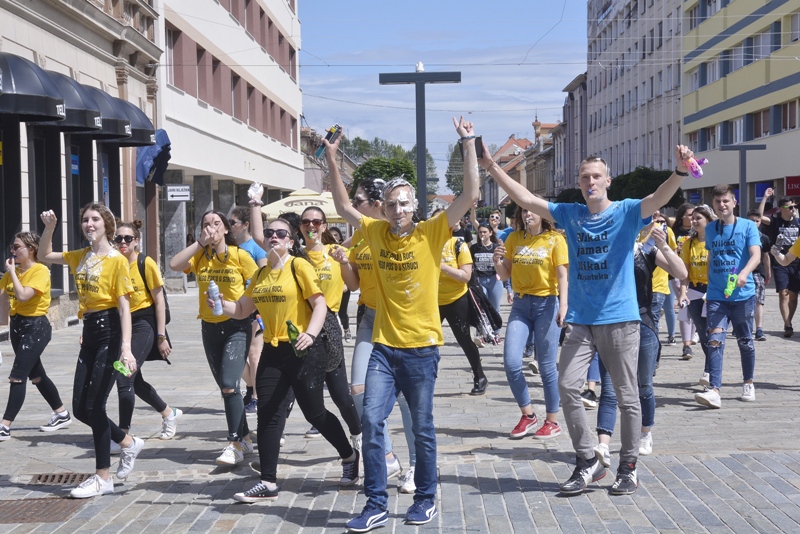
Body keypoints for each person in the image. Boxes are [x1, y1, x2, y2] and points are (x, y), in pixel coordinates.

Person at [481, 143, 694, 496]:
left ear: (607, 180)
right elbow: (526, 197)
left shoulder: (626, 212)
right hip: (580, 320)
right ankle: (586, 461)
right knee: (567, 386)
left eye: (596, 176)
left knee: (627, 396)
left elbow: (658, 198)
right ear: (579, 184)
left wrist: (680, 171)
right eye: (584, 177)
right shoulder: (571, 213)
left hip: (620, 320)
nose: (590, 182)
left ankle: (627, 467)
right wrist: (490, 166)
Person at [331, 117, 480, 531]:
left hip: (422, 348)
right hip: (383, 346)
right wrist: (329, 154)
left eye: (404, 203)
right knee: (373, 422)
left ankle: (426, 497)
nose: (397, 210)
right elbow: (344, 206)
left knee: (423, 425)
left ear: (415, 207)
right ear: (384, 208)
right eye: (391, 204)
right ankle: (376, 502)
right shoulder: (375, 232)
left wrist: (467, 142)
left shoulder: (433, 232)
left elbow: (471, 193)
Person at [216, 217, 359, 502]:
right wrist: (222, 305)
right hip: (273, 349)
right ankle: (267, 482)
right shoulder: (260, 275)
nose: (274, 237)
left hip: (303, 349)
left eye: (281, 234)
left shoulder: (298, 266)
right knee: (268, 413)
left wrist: (310, 333)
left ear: (291, 241)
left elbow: (319, 304)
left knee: (314, 413)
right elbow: (244, 308)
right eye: (269, 233)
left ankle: (349, 455)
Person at [39, 205, 142, 499]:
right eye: (85, 219)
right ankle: (128, 442)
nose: (89, 223)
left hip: (110, 330)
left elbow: (124, 307)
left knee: (95, 406)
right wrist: (50, 228)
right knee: (81, 407)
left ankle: (102, 477)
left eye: (95, 219)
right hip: (90, 332)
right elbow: (45, 255)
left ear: (107, 225)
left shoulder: (117, 260)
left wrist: (126, 347)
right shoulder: (80, 257)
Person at [169, 210, 257, 465]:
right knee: (227, 388)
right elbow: (174, 266)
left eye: (216, 223)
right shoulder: (200, 257)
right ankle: (245, 436)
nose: (211, 228)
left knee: (230, 383)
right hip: (209, 327)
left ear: (227, 229)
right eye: (206, 224)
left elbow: (256, 286)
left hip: (237, 326)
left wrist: (254, 315)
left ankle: (234, 444)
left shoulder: (240, 256)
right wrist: (199, 244)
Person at [594, 225, 687, 464]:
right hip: (611, 323)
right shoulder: (603, 251)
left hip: (642, 322)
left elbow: (681, 273)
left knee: (643, 384)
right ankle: (603, 444)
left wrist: (663, 245)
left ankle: (646, 433)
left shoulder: (644, 252)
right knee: (608, 386)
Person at [494, 206, 568, 440]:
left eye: (532, 211)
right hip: (521, 304)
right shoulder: (514, 238)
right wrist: (497, 261)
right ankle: (528, 415)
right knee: (511, 362)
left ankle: (552, 421)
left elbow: (563, 274)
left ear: (542, 215)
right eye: (524, 211)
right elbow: (505, 274)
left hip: (547, 304)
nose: (528, 215)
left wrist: (564, 305)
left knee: (546, 366)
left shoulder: (555, 239)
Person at [293, 206, 362, 447]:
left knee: (341, 395)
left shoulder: (336, 252)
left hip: (329, 327)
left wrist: (344, 263)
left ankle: (357, 434)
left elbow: (353, 286)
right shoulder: (294, 255)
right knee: (288, 391)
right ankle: (270, 449)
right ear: (300, 226)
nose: (311, 226)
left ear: (324, 226)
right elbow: (261, 240)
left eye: (316, 222)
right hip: (300, 326)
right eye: (305, 222)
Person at [111, 221, 181, 446]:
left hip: (143, 322)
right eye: (118, 238)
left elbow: (159, 301)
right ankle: (168, 413)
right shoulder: (112, 264)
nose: (123, 242)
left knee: (124, 376)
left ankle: (123, 435)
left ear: (136, 241)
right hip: (121, 323)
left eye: (127, 238)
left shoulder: (145, 263)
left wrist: (161, 336)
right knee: (136, 381)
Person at [694, 185, 761, 409]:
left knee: (745, 341)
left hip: (743, 295)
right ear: (713, 205)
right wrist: (708, 288)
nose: (722, 205)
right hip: (716, 296)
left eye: (726, 201)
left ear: (734, 202)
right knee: (714, 341)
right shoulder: (711, 229)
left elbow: (756, 255)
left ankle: (748, 382)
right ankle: (714, 389)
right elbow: (713, 256)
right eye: (718, 202)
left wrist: (744, 273)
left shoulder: (748, 226)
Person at [0, 232, 71, 441]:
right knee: (36, 375)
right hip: (17, 326)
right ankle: (61, 413)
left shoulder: (40, 270)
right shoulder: (11, 273)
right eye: (12, 247)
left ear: (31, 248)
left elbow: (22, 296)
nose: (13, 251)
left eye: (17, 247)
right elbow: (3, 303)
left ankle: (5, 425)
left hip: (36, 327)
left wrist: (12, 272)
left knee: (17, 375)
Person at [431, 209, 488, 395]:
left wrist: (442, 267)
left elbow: (465, 276)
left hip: (457, 299)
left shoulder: (458, 245)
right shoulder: (426, 244)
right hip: (432, 301)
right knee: (427, 342)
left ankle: (479, 376)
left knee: (463, 339)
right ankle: (423, 379)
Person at [228, 206, 268, 414]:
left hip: (252, 307)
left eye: (232, 223)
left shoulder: (256, 248)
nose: (229, 227)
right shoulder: (229, 248)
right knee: (236, 354)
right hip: (233, 307)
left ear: (245, 225)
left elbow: (264, 276)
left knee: (254, 354)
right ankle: (254, 387)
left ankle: (256, 396)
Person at [678, 206, 715, 387]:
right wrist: (683, 293)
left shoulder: (716, 240)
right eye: (692, 218)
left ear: (708, 220)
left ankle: (710, 370)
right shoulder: (688, 244)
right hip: (694, 291)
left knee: (712, 332)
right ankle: (711, 368)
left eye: (698, 218)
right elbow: (684, 272)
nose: (693, 221)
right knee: (702, 332)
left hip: (713, 291)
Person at [759, 188, 800, 337]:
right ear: (781, 209)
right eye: (790, 207)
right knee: (784, 293)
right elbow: (759, 216)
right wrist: (765, 197)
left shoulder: (798, 222)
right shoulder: (775, 222)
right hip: (780, 260)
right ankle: (788, 324)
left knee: (794, 295)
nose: (793, 209)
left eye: (795, 206)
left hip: (797, 262)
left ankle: (788, 320)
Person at [470, 222, 504, 342]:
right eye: (480, 232)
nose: (482, 234)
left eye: (485, 232)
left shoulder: (495, 247)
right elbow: (470, 265)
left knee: (495, 307)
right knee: (481, 307)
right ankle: (480, 333)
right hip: (480, 280)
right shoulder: (474, 248)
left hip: (494, 280)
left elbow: (502, 264)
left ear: (490, 233)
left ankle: (496, 333)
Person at [671, 203, 698, 358]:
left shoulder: (698, 232)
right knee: (684, 305)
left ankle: (693, 336)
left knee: (693, 307)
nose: (692, 218)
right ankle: (686, 345)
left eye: (694, 215)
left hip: (695, 274)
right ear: (682, 216)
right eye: (689, 215)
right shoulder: (675, 232)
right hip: (678, 274)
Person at [746, 209, 771, 341]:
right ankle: (744, 327)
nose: (754, 223)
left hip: (757, 272)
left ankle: (759, 329)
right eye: (751, 220)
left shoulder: (764, 238)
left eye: (757, 221)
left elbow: (766, 257)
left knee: (758, 301)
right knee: (743, 301)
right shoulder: (741, 235)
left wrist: (768, 273)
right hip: (742, 272)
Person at [328, 226, 354, 342]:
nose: (333, 237)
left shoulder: (345, 250)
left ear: (340, 238)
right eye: (331, 235)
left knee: (342, 311)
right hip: (331, 287)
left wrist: (345, 283)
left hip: (344, 286)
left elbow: (347, 268)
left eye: (336, 235)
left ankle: (347, 329)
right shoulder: (326, 251)